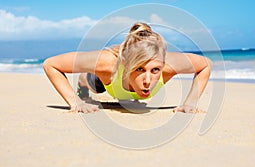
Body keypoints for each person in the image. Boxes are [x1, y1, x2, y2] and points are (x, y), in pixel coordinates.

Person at [43, 22, 212, 113]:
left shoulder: (169, 65)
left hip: (125, 83)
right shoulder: (106, 62)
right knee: (92, 84)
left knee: (130, 98)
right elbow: (51, 64)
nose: (148, 81)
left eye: (155, 70)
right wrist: (75, 102)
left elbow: (206, 65)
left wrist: (190, 103)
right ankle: (84, 81)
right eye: (139, 69)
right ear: (127, 64)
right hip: (108, 81)